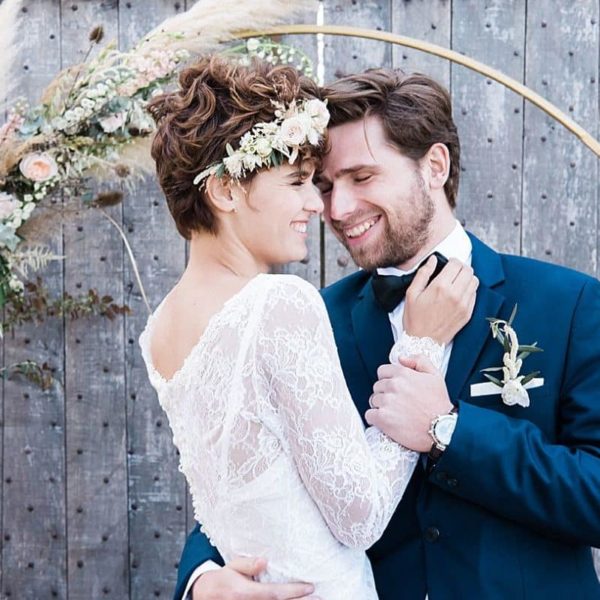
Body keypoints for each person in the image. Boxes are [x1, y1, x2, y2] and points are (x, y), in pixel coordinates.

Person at [180, 67, 600, 600]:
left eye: (362, 177)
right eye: (325, 187)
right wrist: (202, 578)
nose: (337, 209)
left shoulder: (569, 305)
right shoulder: (312, 318)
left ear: (434, 166)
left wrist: (449, 431)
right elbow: (242, 474)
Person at [140, 57, 477, 600]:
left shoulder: (158, 330)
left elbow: (259, 488)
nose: (316, 205)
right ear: (226, 191)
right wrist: (422, 346)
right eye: (298, 182)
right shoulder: (280, 303)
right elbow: (361, 517)